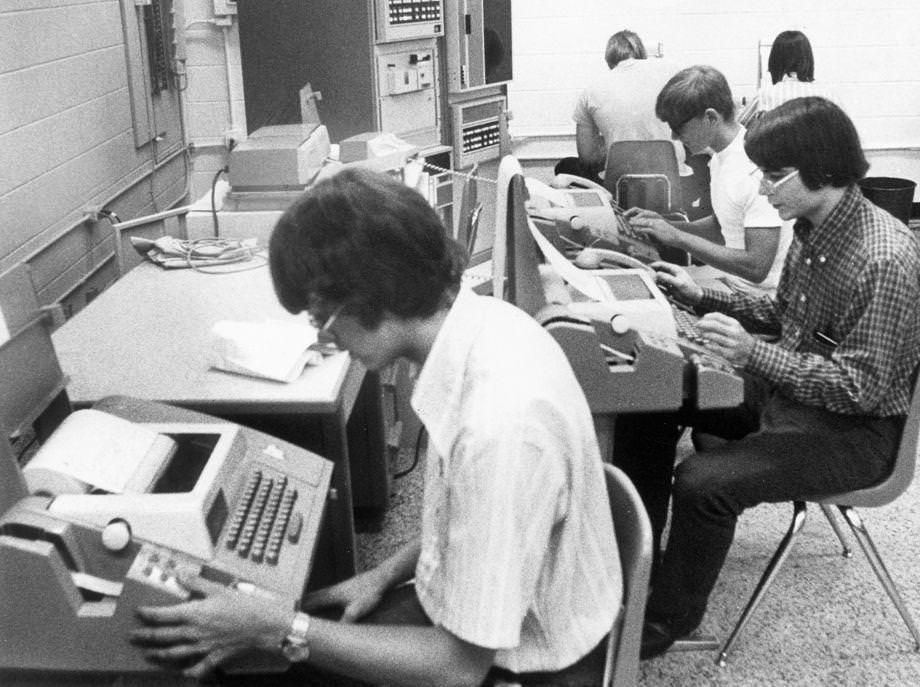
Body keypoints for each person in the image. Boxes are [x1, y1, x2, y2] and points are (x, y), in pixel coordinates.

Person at [130, 168, 622, 686]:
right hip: (500, 617)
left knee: (256, 661)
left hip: (525, 665)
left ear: (372, 293)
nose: (326, 338)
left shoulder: (500, 427)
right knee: (282, 643)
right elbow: (474, 517)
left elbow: (456, 670)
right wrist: (385, 573)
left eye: (323, 316)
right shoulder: (487, 325)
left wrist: (278, 627)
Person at [613, 96, 920, 660]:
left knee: (705, 483)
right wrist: (699, 292)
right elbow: (786, 314)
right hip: (796, 399)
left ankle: (664, 623)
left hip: (856, 435)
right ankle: (634, 562)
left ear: (822, 171)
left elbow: (862, 391)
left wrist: (754, 354)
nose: (765, 189)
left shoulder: (885, 257)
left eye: (776, 177)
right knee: (657, 394)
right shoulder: (814, 225)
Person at [627, 65, 793, 295]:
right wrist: (665, 226)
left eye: (678, 127)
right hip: (734, 283)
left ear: (711, 117)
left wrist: (678, 237)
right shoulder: (722, 157)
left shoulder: (753, 170)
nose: (675, 136)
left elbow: (757, 267)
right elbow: (722, 226)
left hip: (758, 298)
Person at [555, 29, 682, 183]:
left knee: (566, 166)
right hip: (676, 178)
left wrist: (612, 141)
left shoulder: (590, 92)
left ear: (609, 60)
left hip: (621, 184)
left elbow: (587, 157)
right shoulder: (671, 71)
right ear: (642, 54)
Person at [738, 30, 837, 125]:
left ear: (774, 61)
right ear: (808, 59)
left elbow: (740, 125)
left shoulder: (765, 95)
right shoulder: (828, 95)